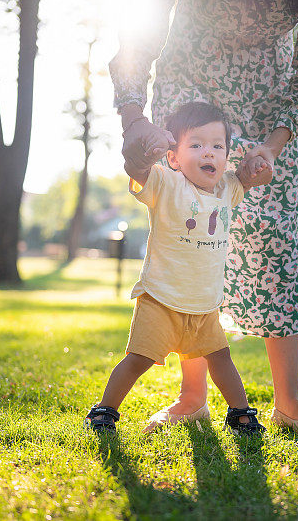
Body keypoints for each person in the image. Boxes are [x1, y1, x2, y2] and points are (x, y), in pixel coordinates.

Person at [110, 0, 298, 433]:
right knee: (188, 226)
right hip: (189, 83)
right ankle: (191, 397)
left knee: (274, 237)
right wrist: (133, 117)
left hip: (268, 100)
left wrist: (271, 148)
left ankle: (289, 399)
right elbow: (140, 28)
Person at [85, 102, 271, 435]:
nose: (209, 153)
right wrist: (141, 156)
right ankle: (105, 411)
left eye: (217, 146)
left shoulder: (228, 188)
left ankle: (240, 413)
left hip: (204, 306)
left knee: (221, 360)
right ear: (174, 157)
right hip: (161, 299)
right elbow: (137, 170)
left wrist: (258, 165)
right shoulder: (166, 184)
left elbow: (255, 177)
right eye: (196, 145)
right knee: (138, 359)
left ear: (227, 155)